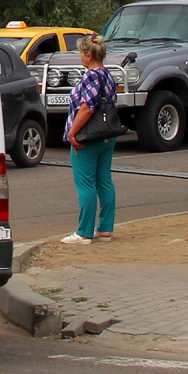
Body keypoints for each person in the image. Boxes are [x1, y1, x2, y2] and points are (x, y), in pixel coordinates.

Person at [61, 33, 117, 245]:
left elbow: (87, 107)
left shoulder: (91, 76)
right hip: (106, 136)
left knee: (85, 185)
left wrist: (72, 133)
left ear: (88, 54)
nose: (80, 57)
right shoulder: (109, 76)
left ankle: (84, 232)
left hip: (88, 137)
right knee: (104, 181)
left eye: (81, 53)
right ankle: (105, 228)